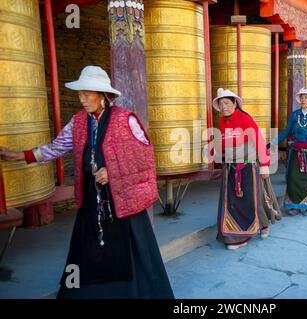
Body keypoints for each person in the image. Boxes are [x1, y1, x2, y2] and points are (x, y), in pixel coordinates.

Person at [0, 66, 174, 299]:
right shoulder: (79, 122)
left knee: (128, 252)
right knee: (89, 251)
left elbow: (144, 158)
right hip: (92, 198)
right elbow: (56, 147)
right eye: (79, 93)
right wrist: (19, 155)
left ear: (102, 95)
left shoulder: (125, 119)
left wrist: (112, 172)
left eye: (86, 93)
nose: (81, 99)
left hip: (122, 202)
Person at [213, 88, 281, 250]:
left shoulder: (244, 119)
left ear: (235, 103)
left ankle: (262, 225)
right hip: (230, 168)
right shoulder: (223, 122)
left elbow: (258, 140)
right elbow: (224, 144)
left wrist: (264, 165)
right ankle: (235, 234)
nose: (224, 107)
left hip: (247, 167)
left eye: (227, 103)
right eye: (221, 104)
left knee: (252, 199)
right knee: (233, 202)